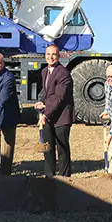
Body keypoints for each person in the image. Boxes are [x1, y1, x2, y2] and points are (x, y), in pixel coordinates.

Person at [34, 44, 73, 177]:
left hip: (62, 116)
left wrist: (45, 113)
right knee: (48, 148)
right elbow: (48, 94)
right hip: (49, 116)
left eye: (54, 54)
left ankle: (64, 178)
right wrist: (42, 102)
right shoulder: (44, 71)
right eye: (48, 54)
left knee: (62, 149)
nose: (51, 57)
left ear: (58, 56)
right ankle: (49, 176)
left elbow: (59, 98)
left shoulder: (63, 73)